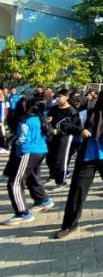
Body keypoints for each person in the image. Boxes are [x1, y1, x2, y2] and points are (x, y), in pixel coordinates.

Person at [55, 88, 103, 239]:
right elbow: (63, 124)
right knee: (77, 191)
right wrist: (79, 130)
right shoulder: (88, 113)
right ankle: (70, 224)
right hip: (88, 157)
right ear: (100, 97)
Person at [3, 97, 53, 226]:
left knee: (15, 183)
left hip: (28, 151)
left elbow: (22, 139)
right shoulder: (41, 119)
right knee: (33, 177)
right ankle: (43, 200)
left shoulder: (26, 121)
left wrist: (11, 142)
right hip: (41, 151)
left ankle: (23, 213)